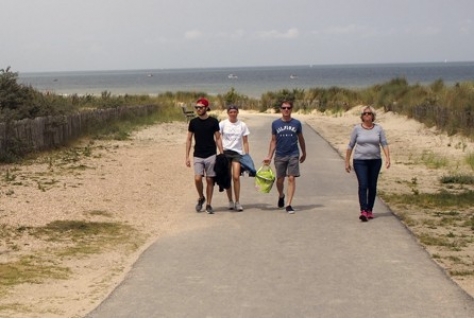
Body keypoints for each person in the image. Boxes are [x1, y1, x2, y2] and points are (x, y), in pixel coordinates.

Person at [345, 106, 391, 222]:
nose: (367, 115)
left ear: (373, 116)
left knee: (372, 186)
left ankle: (370, 209)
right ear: (362, 116)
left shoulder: (378, 129)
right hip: (360, 160)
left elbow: (384, 143)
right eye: (365, 114)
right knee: (363, 184)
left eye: (369, 113)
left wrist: (387, 157)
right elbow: (350, 145)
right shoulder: (357, 129)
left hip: (375, 161)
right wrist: (347, 161)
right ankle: (363, 210)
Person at [264, 101, 306, 214]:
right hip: (280, 154)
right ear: (281, 109)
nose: (286, 109)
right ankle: (281, 195)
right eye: (284, 108)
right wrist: (269, 156)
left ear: (291, 109)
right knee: (280, 179)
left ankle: (288, 204)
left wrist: (304, 152)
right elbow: (273, 141)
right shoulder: (275, 124)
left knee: (291, 178)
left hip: (293, 154)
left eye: (288, 108)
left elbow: (301, 138)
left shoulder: (296, 123)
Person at [186, 98, 224, 214]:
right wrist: (186, 156)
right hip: (198, 154)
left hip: (211, 154)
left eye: (201, 107)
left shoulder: (213, 121)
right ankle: (201, 197)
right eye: (196, 107)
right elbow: (189, 139)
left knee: (209, 179)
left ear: (206, 108)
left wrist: (221, 153)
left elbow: (218, 138)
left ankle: (208, 204)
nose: (198, 109)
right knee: (197, 178)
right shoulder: (193, 122)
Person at [219, 104, 250, 212]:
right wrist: (220, 152)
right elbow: (218, 138)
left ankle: (237, 201)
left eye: (234, 112)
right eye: (231, 112)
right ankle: (230, 200)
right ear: (228, 113)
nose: (233, 114)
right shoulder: (223, 124)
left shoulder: (242, 125)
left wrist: (247, 155)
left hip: (237, 153)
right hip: (226, 152)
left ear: (237, 113)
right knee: (227, 177)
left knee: (236, 176)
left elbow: (245, 141)